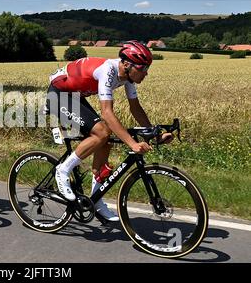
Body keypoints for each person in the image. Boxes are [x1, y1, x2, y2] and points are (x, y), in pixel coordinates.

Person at [46, 40, 174, 221]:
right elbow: (107, 112)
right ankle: (63, 170)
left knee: (105, 141)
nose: (146, 73)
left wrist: (157, 133)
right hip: (58, 94)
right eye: (143, 68)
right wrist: (132, 143)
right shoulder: (109, 70)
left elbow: (135, 109)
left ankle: (96, 200)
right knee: (102, 132)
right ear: (128, 64)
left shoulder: (127, 77)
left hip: (75, 95)